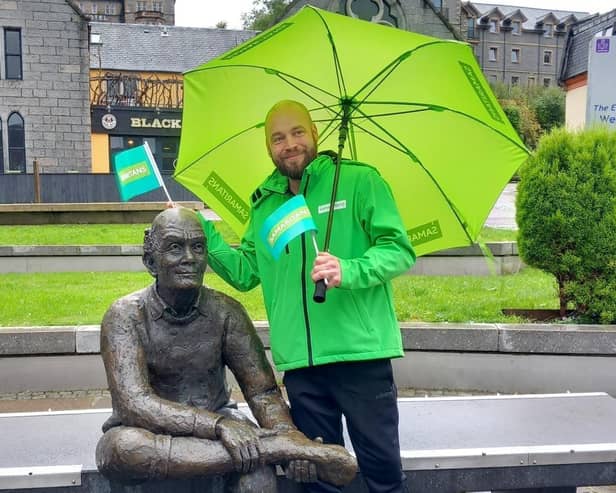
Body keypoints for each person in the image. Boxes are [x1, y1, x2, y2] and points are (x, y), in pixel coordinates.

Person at [201, 100, 416, 493]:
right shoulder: (266, 203)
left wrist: (347, 269)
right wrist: (204, 231)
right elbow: (247, 271)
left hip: (361, 355)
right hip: (301, 366)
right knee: (317, 479)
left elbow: (399, 249)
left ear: (314, 135)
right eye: (278, 138)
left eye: (298, 132)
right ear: (269, 147)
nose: (290, 144)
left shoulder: (359, 181)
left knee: (383, 474)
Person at [95, 207, 357, 492]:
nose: (189, 258)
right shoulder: (124, 316)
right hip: (154, 431)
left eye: (198, 247)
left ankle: (277, 445)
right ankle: (274, 448)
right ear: (150, 261)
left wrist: (286, 431)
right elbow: (135, 404)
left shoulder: (227, 311)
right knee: (122, 449)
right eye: (175, 248)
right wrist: (227, 428)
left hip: (220, 425)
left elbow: (263, 392)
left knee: (258, 479)